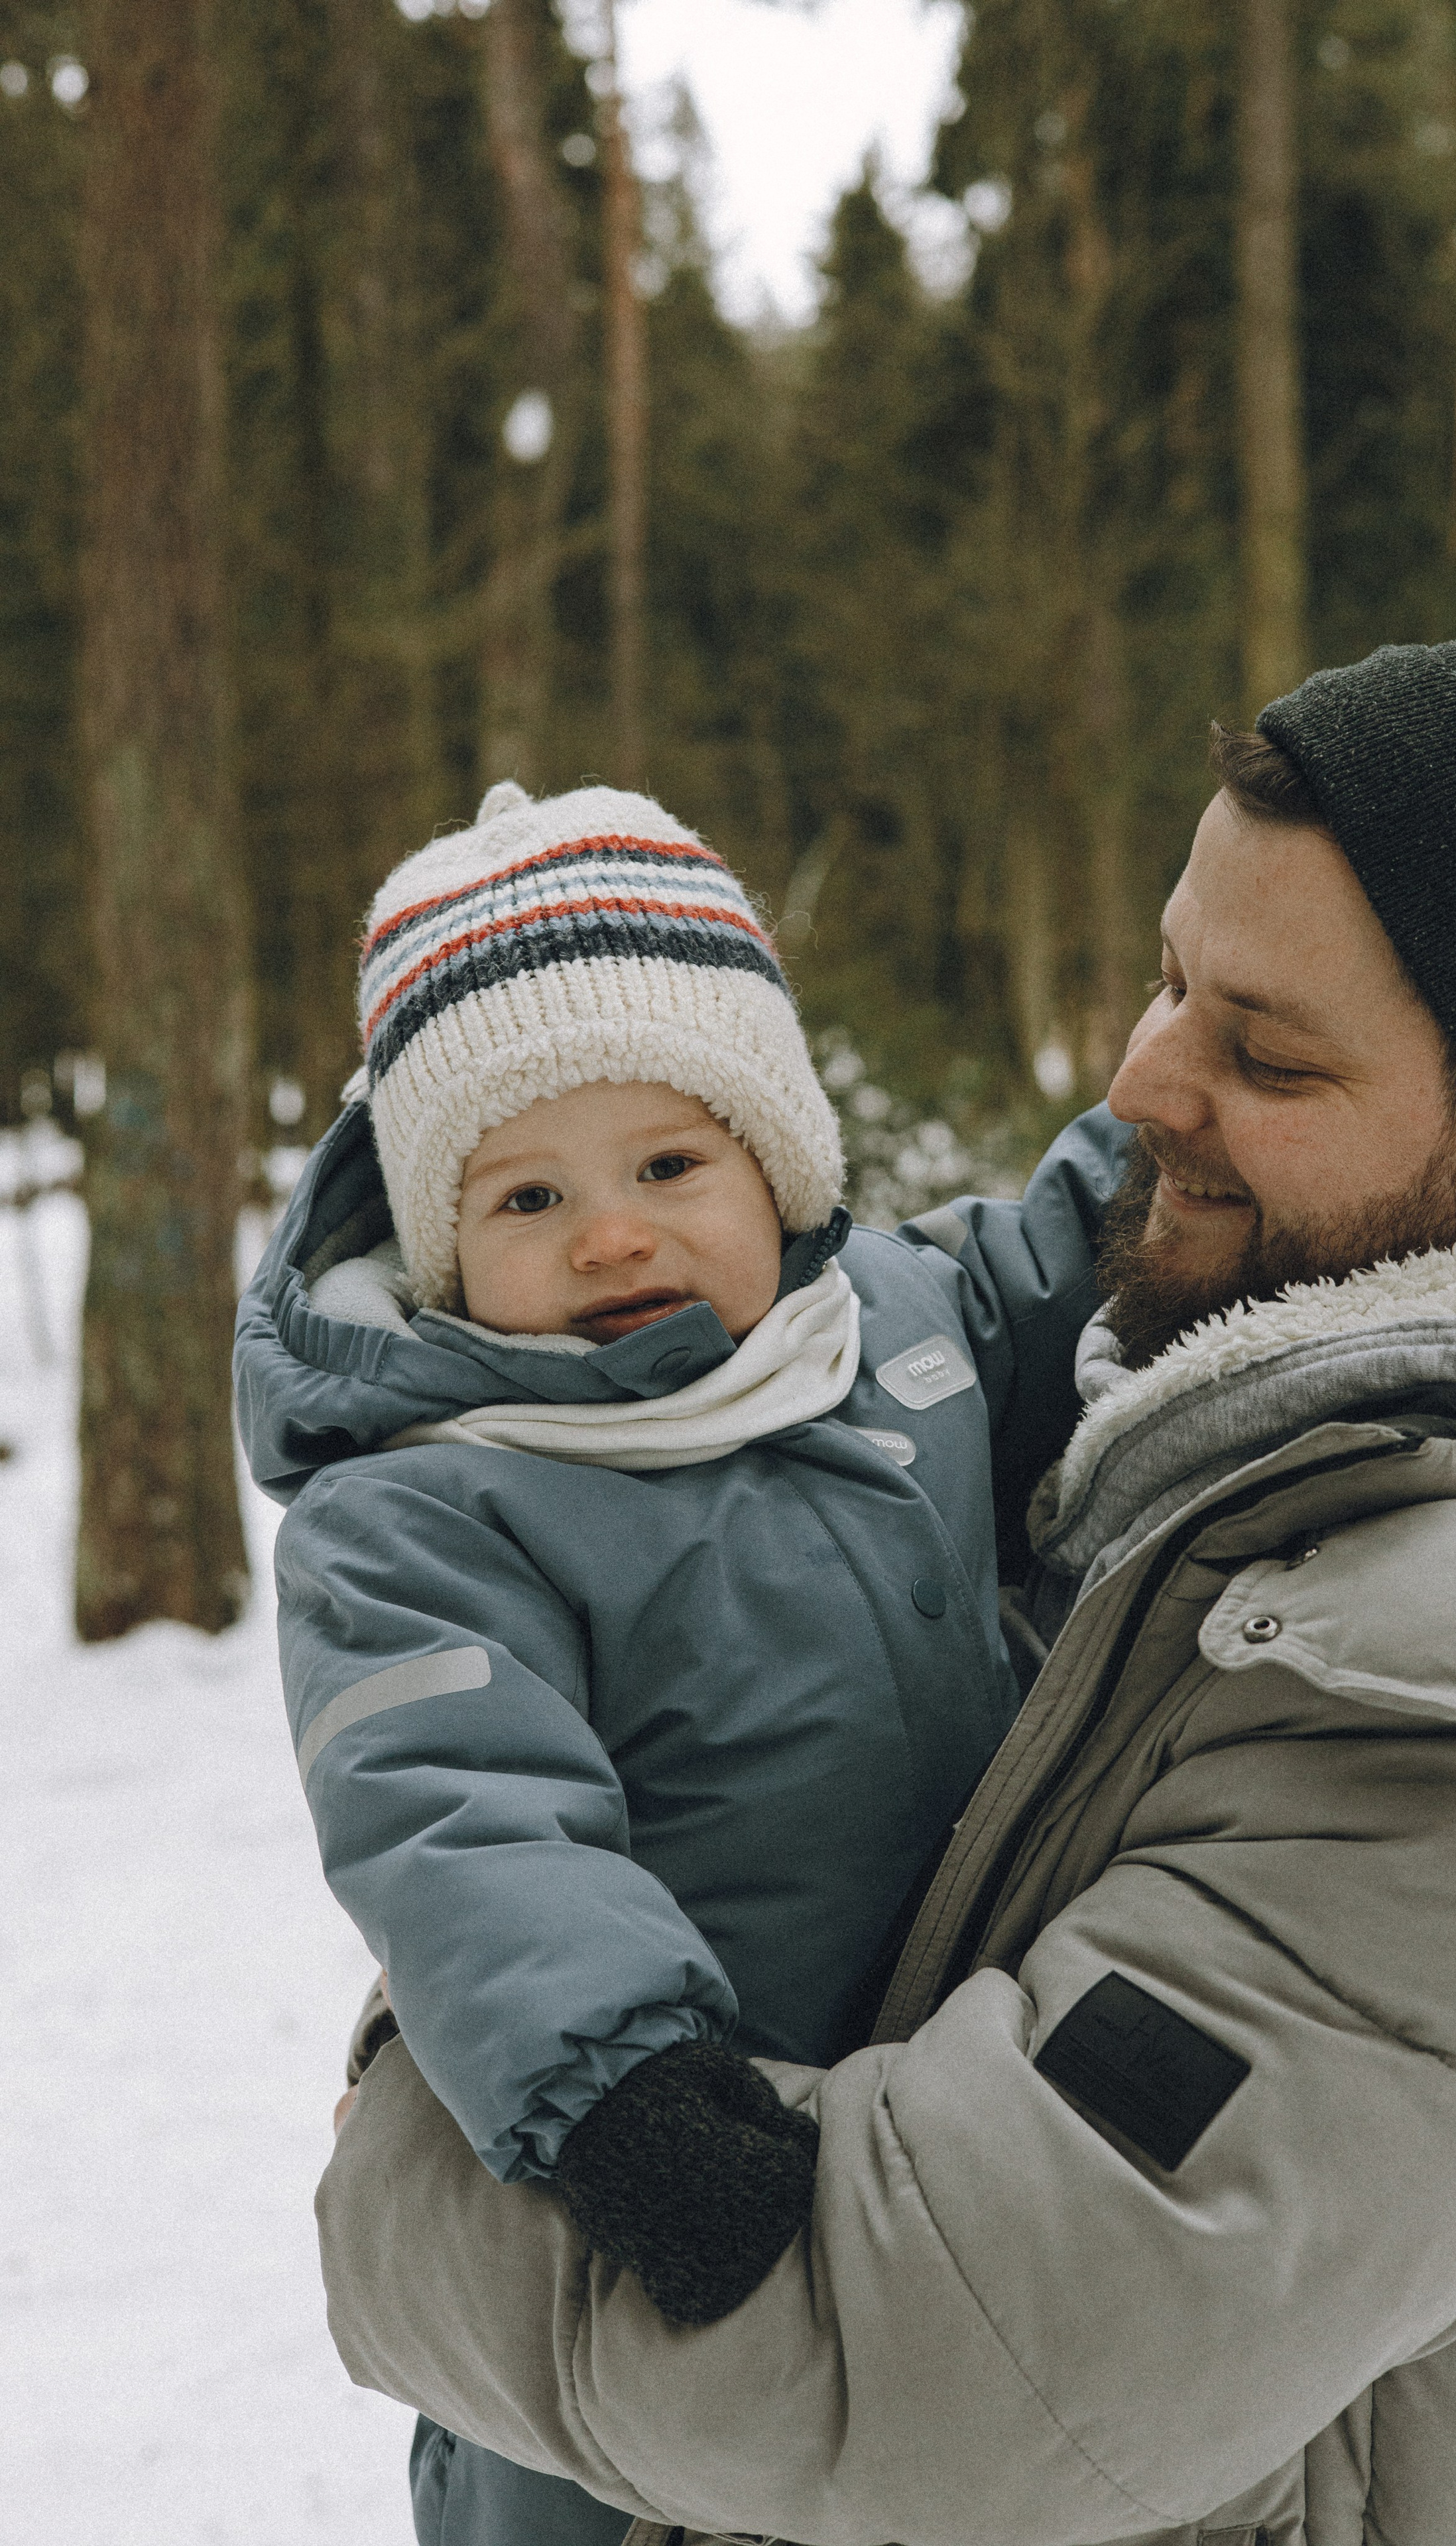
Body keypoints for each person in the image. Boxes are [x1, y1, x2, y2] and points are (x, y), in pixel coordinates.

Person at [317, 609, 1456, 2546]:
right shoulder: (1239, 1412)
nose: (1136, 1081)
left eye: (1263, 1050)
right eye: (1164, 981)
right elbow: (454, 1798)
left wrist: (405, 2179)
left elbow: (921, 2374)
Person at [234, 777, 1128, 2546]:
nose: (612, 1235)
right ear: (442, 1245)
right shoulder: (428, 1515)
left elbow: (1083, 1248)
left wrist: (1202, 1102)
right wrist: (620, 2088)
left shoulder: (898, 1330)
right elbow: (464, 1825)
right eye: (528, 1196)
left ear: (776, 1165)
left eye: (668, 1165)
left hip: (952, 2161)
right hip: (646, 2183)